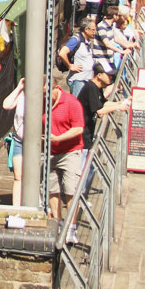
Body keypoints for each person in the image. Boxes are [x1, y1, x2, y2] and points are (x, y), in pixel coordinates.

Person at [47, 83, 85, 221]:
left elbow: (78, 128)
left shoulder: (71, 103)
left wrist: (58, 138)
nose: (45, 96)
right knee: (52, 189)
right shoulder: (40, 102)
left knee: (71, 190)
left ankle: (71, 227)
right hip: (50, 153)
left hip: (70, 152)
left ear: (56, 87)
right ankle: (57, 223)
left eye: (47, 92)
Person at [77, 63, 129, 150]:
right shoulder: (91, 88)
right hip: (82, 134)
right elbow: (99, 111)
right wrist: (118, 107)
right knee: (84, 160)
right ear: (99, 75)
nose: (111, 77)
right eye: (108, 75)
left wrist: (120, 103)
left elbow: (103, 103)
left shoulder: (97, 87)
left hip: (88, 131)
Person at [58, 17, 107, 96]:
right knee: (78, 105)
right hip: (78, 80)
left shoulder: (87, 41)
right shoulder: (76, 40)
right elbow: (62, 53)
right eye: (93, 30)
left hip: (86, 79)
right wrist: (70, 66)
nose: (95, 32)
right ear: (86, 29)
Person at [1, 76, 26, 208]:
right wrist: (19, 87)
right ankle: (16, 208)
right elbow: (6, 105)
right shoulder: (21, 96)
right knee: (18, 176)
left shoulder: (42, 97)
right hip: (19, 141)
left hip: (36, 144)